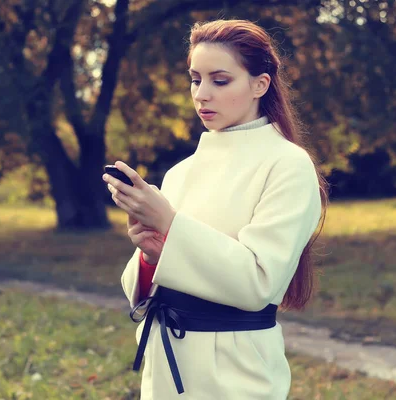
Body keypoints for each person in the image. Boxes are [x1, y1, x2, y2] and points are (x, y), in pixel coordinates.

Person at [102, 19, 328, 399]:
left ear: (260, 84)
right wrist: (149, 254)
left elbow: (260, 282)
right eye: (195, 79)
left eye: (219, 81)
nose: (202, 94)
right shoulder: (180, 171)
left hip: (234, 372)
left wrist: (171, 225)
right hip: (166, 364)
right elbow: (146, 294)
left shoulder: (288, 164)